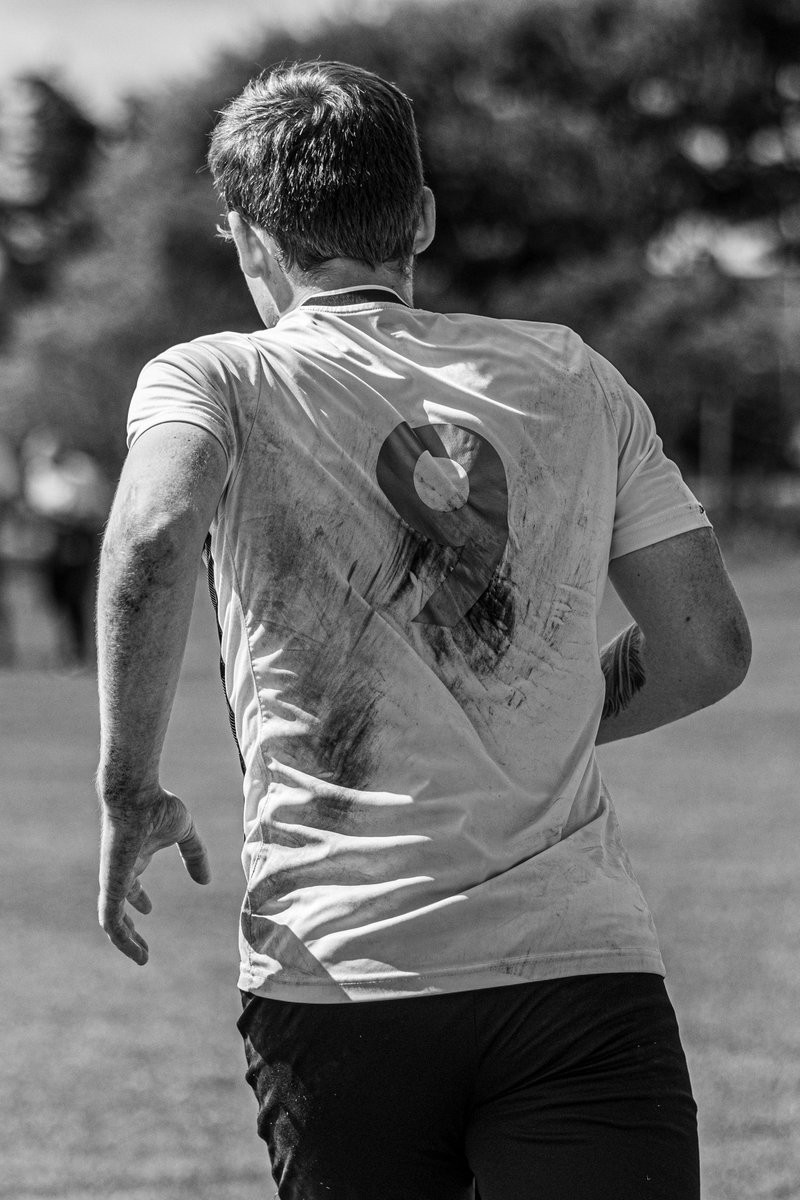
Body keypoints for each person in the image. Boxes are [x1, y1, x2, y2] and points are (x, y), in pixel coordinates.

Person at [96, 61, 751, 1200]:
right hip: (578, 968)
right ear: (423, 216)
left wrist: (128, 788)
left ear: (248, 236)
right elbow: (706, 648)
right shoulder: (571, 372)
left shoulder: (217, 376)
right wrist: (528, 718)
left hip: (342, 971)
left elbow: (153, 538)